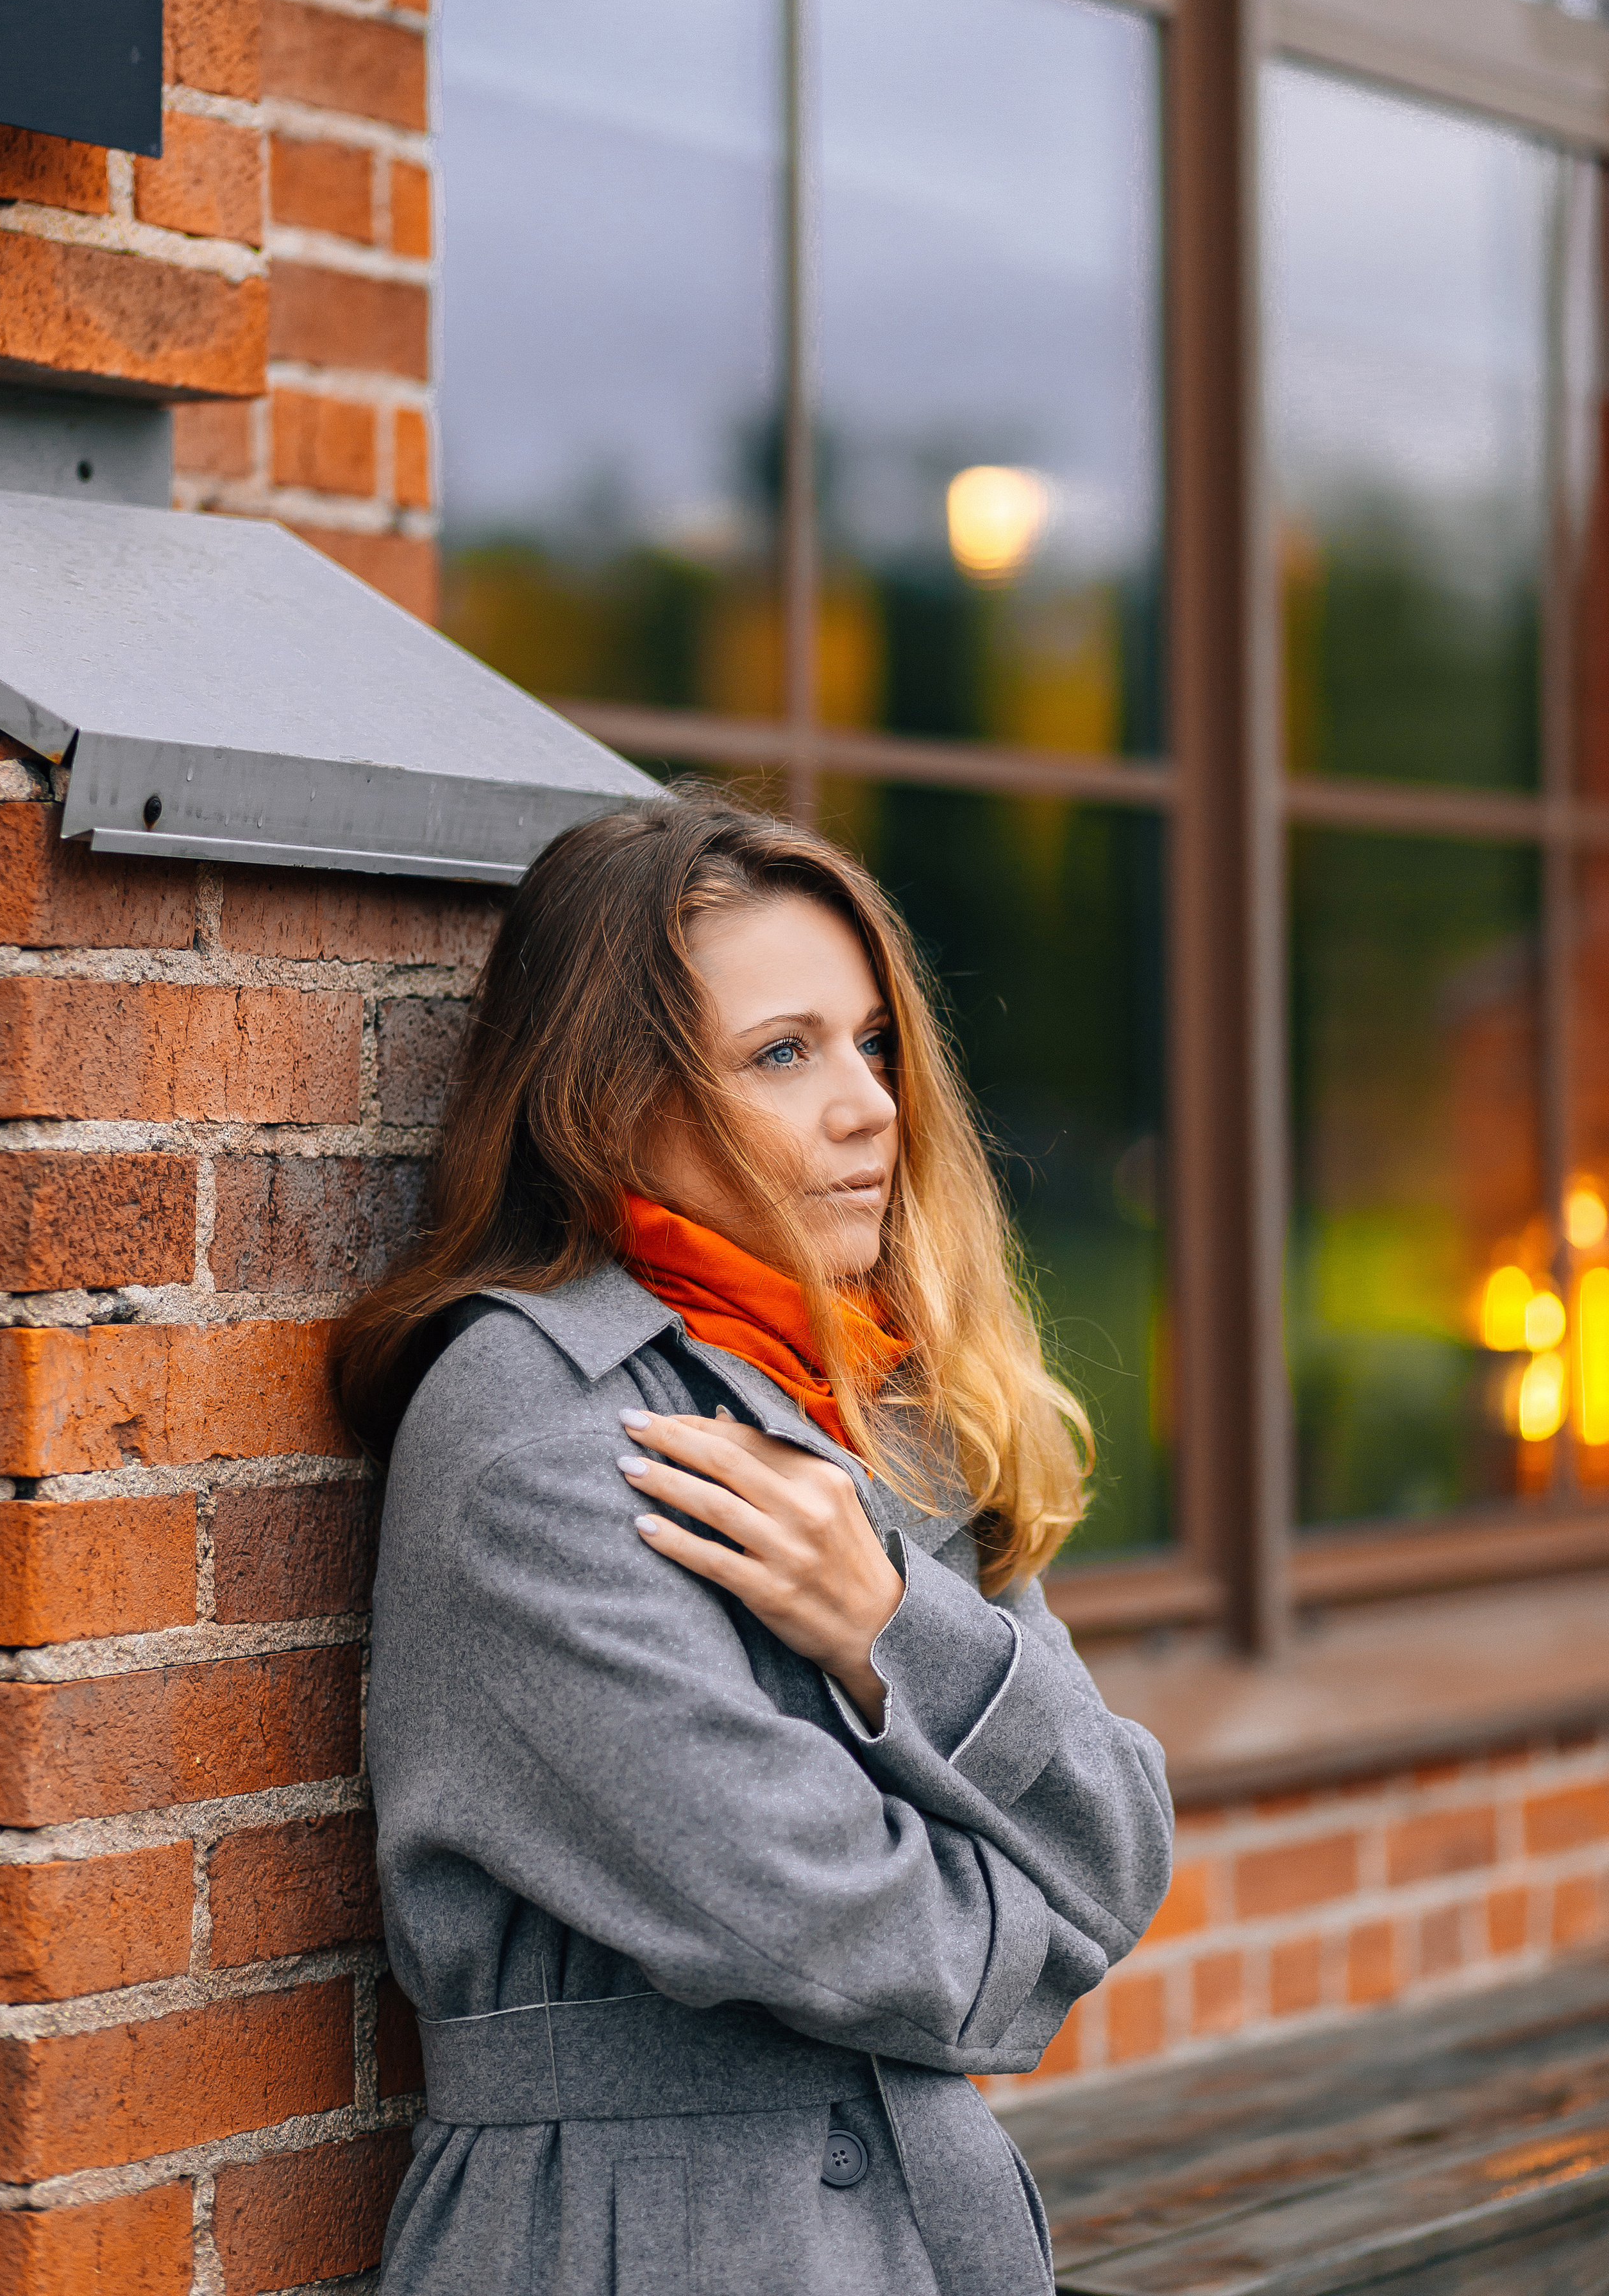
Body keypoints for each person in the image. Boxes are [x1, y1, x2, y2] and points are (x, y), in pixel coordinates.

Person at [337, 789, 1173, 2296]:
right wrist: (1033, 1912)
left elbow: (1115, 1845)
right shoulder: (532, 1424)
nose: (868, 1106)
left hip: (907, 2225)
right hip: (631, 2235)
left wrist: (884, 1620)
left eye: (869, 1043)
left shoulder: (885, 1392)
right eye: (779, 1055)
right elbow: (842, 1933)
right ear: (606, 1098)